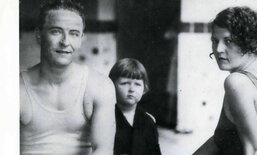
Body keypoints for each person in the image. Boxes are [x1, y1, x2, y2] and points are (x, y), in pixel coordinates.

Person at [20, 0, 116, 154]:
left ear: (81, 39)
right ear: (39, 35)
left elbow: (103, 150)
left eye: (74, 33)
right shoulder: (15, 88)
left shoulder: (99, 85)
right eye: (56, 31)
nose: (65, 42)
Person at [193, 7, 257, 155]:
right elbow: (220, 140)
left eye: (228, 41)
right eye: (215, 40)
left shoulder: (237, 82)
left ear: (249, 42)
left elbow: (256, 150)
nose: (218, 49)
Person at [108, 58, 161, 155]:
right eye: (125, 83)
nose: (132, 89)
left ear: (144, 88)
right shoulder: (105, 117)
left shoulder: (148, 120)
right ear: (112, 85)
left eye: (137, 84)